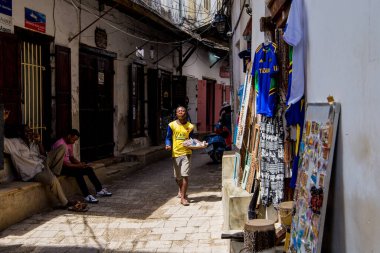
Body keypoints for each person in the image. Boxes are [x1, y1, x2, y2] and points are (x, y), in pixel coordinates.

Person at [3, 111, 86, 212]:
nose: (30, 133)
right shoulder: (13, 144)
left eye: (30, 130)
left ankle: (54, 172)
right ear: (20, 134)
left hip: (43, 164)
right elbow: (1, 140)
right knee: (52, 180)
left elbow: (43, 155)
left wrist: (39, 142)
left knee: (63, 147)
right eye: (27, 131)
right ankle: (66, 203)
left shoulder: (33, 143)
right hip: (33, 172)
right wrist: (2, 119)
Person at [51, 129, 112, 204]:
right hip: (60, 167)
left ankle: (99, 190)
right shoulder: (60, 144)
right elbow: (64, 163)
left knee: (88, 169)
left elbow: (71, 157)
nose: (74, 142)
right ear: (69, 136)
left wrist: (81, 164)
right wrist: (78, 166)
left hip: (68, 166)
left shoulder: (69, 143)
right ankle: (87, 195)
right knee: (78, 172)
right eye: (74, 140)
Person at [165, 106, 194, 206]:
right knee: (178, 177)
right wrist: (168, 144)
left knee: (184, 175)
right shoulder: (171, 125)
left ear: (185, 113)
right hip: (176, 153)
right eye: (179, 111)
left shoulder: (190, 126)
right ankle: (181, 190)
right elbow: (168, 137)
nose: (181, 112)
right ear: (176, 114)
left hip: (187, 153)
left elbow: (192, 140)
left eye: (183, 111)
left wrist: (199, 144)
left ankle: (183, 197)